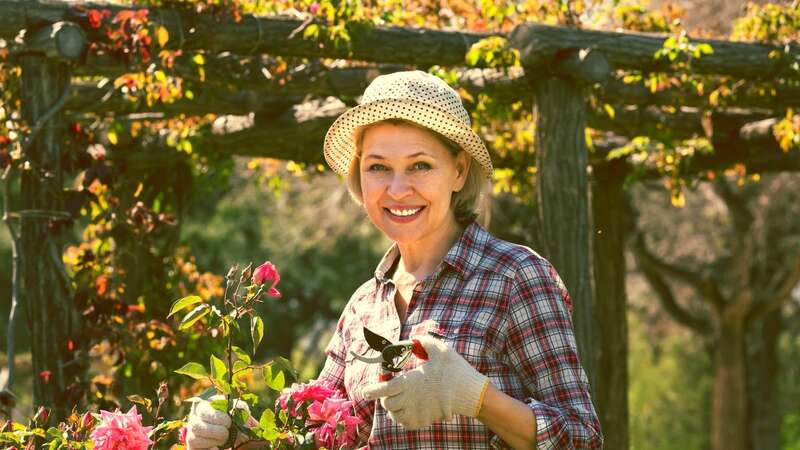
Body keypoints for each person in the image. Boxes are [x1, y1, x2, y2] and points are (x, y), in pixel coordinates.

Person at [186, 70, 603, 449]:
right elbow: (315, 438)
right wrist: (231, 434)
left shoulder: (515, 277)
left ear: (458, 171)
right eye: (379, 167)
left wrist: (476, 397)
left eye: (420, 165)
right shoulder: (364, 306)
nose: (397, 189)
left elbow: (583, 438)